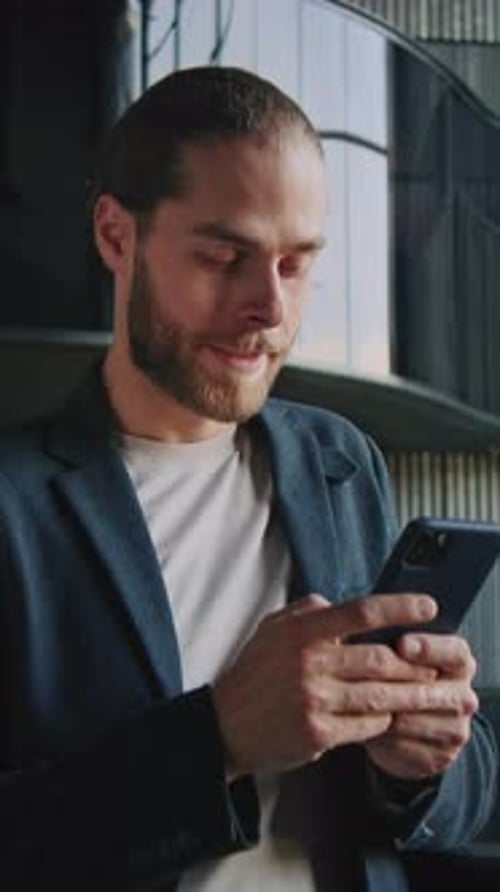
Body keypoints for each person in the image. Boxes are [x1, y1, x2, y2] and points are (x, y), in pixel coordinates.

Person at [0, 66, 496, 892]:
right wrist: (217, 739)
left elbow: (459, 793)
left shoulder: (342, 462)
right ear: (116, 237)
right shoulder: (15, 503)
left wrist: (422, 764)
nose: (269, 306)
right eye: (224, 256)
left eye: (295, 264)